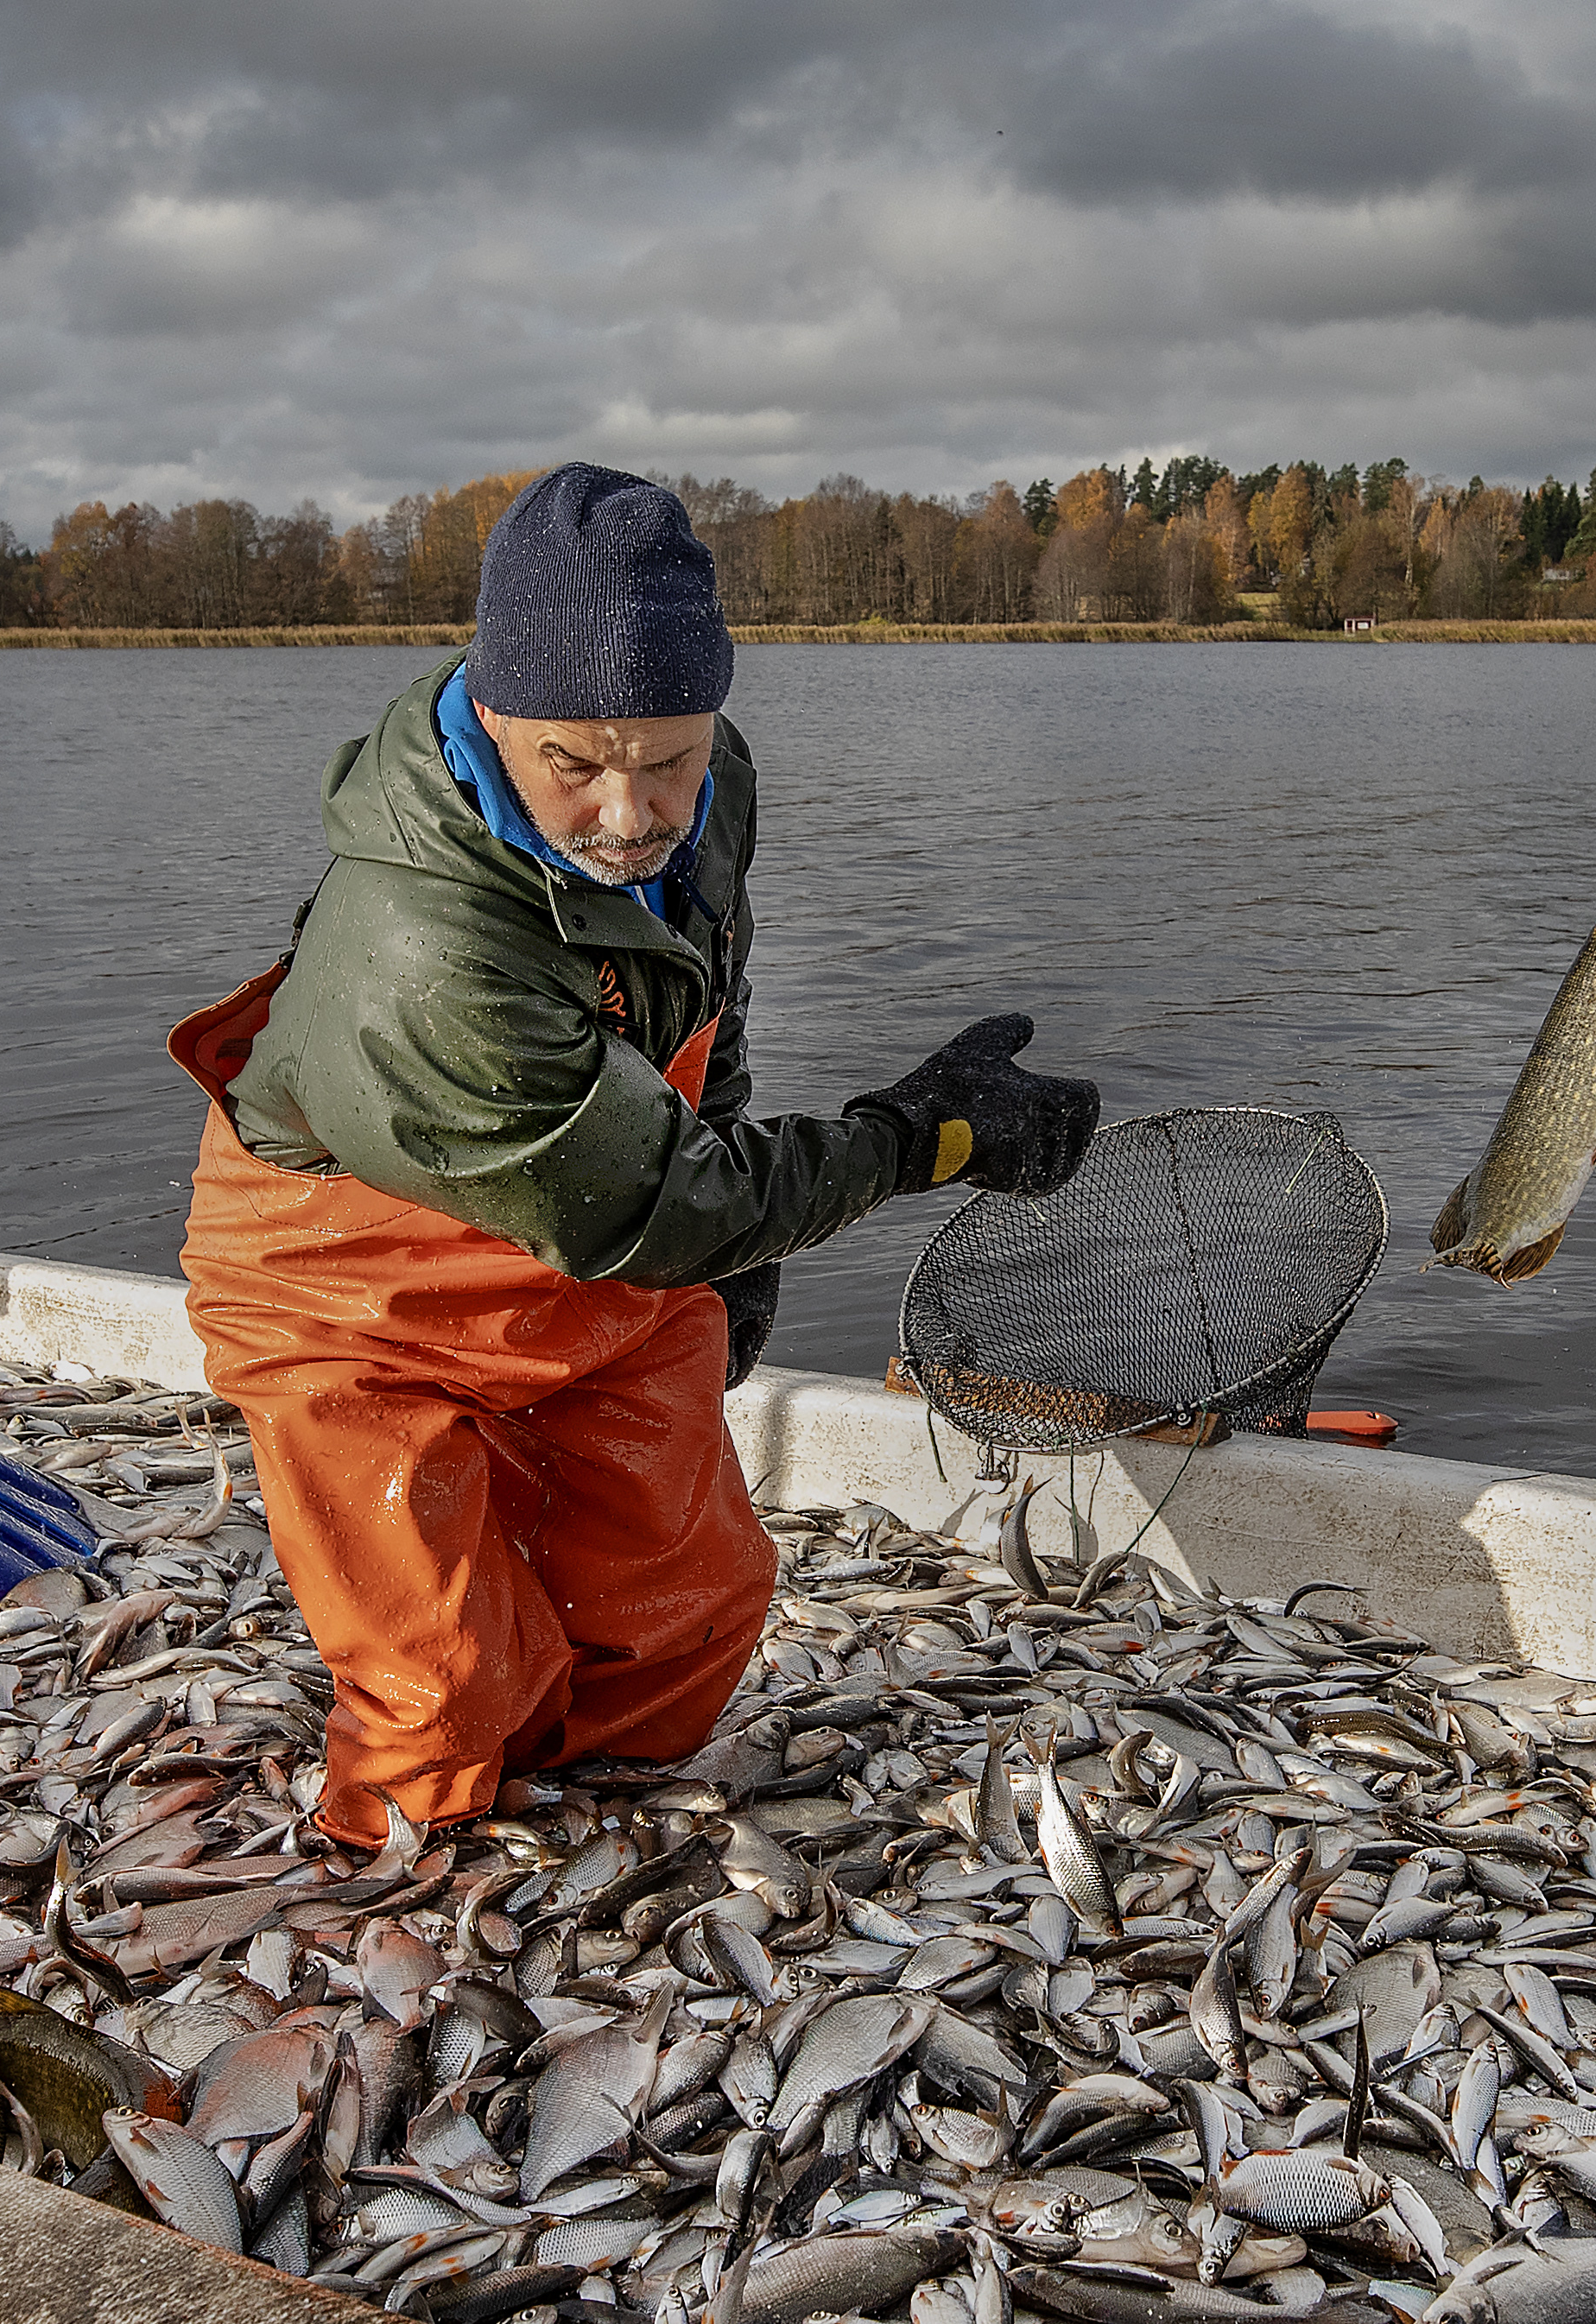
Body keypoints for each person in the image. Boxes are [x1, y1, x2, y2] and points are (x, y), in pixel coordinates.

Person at [170, 462, 1099, 1848]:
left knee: (689, 1613)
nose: (628, 812)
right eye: (576, 764)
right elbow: (659, 1212)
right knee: (447, 1679)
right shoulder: (421, 956)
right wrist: (924, 1137)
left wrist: (740, 1222)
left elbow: (700, 1000)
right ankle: (388, 1887)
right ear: (494, 714)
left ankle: (580, 1828)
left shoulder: (709, 787)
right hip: (354, 1305)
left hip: (593, 1233)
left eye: (664, 755)